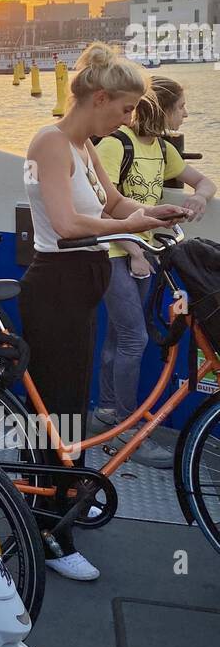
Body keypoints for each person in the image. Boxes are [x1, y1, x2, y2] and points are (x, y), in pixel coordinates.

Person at [21, 44, 188, 582]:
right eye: (125, 109)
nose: (129, 120)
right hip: (57, 283)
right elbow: (67, 224)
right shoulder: (50, 144)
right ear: (99, 98)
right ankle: (49, 529)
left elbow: (112, 203)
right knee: (58, 407)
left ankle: (68, 493)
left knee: (71, 398)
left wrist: (151, 213)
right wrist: (130, 229)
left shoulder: (84, 146)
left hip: (83, 279)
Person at [94, 77, 215, 468]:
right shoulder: (116, 145)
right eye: (181, 106)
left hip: (144, 254)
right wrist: (133, 251)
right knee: (134, 338)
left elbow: (204, 181)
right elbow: (103, 207)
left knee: (117, 338)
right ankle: (128, 431)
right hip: (114, 254)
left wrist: (198, 197)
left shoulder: (161, 149)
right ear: (163, 109)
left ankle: (108, 414)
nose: (186, 113)